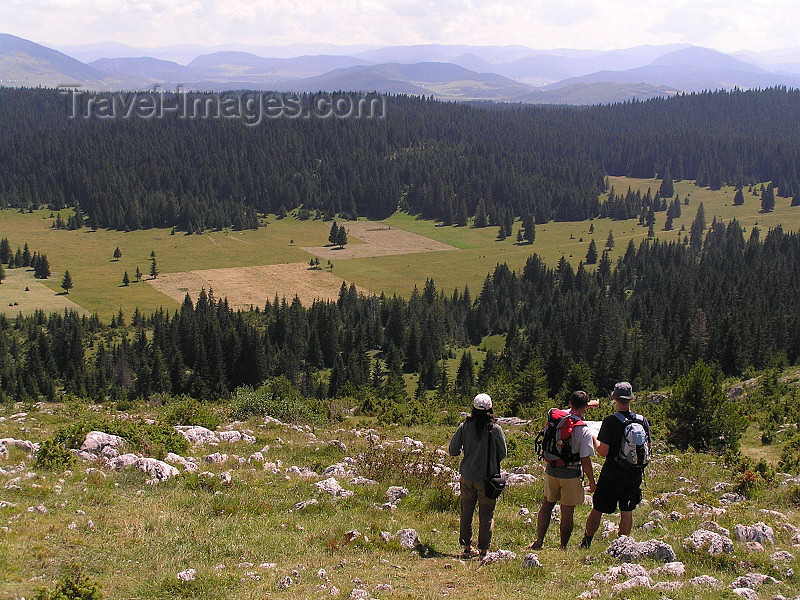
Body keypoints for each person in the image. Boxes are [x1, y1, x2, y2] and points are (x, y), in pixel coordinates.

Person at [579, 381, 651, 548]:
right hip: (634, 473)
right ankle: (623, 545)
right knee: (627, 510)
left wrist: (594, 439)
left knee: (598, 507)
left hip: (612, 473)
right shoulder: (642, 421)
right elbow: (648, 448)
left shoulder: (611, 421)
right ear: (631, 399)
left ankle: (587, 541)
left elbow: (603, 451)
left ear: (614, 398)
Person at [530, 390, 598, 549]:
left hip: (552, 469)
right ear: (585, 406)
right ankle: (562, 547)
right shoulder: (584, 430)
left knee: (547, 505)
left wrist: (586, 405)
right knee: (567, 512)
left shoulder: (558, 419)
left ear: (570, 404)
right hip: (571, 474)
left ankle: (539, 542)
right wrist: (591, 481)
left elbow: (574, 409)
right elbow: (585, 460)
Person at [448, 393, 508, 559]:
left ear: (473, 408)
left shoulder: (465, 426)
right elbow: (503, 453)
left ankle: (467, 547)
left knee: (466, 512)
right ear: (490, 409)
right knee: (486, 515)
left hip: (467, 476)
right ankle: (483, 550)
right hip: (488, 479)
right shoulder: (495, 429)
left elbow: (453, 450)